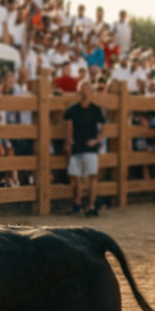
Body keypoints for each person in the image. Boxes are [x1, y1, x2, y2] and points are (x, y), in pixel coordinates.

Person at [63, 80, 106, 216]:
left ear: (91, 92)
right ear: (79, 91)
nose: (85, 91)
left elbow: (104, 126)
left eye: (87, 89)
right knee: (76, 178)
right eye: (83, 89)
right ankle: (78, 204)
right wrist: (68, 142)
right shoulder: (72, 109)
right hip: (77, 146)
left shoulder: (96, 109)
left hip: (90, 148)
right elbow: (68, 127)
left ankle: (91, 206)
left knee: (92, 177)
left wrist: (97, 140)